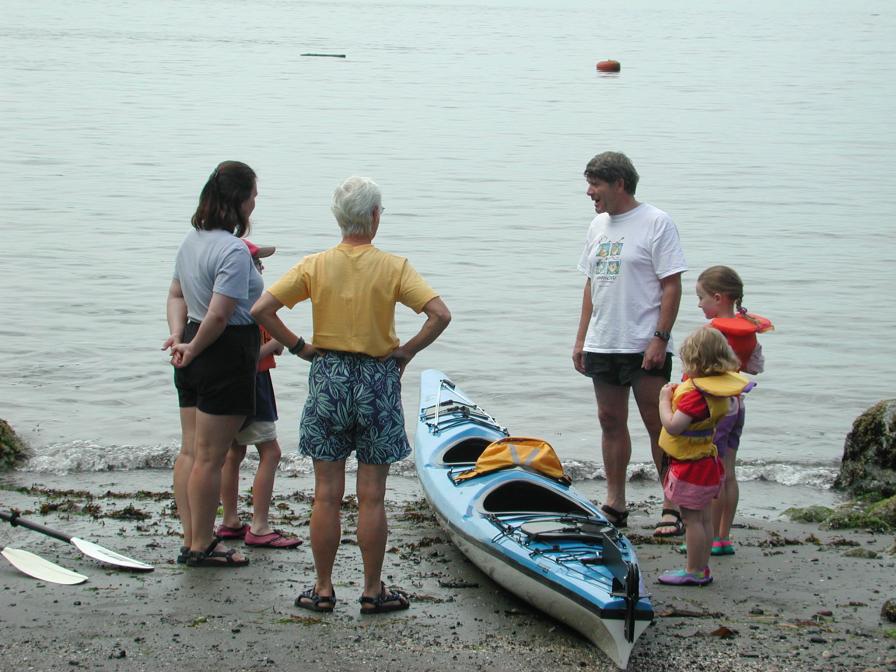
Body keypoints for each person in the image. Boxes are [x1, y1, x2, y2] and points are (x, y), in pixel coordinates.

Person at [252, 176, 451, 614]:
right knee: (372, 494)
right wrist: (406, 352)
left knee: (325, 492)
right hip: (378, 378)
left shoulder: (315, 265)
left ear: (338, 218)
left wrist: (299, 346)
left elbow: (262, 309)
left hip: (329, 376)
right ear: (375, 216)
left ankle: (323, 589)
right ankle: (372, 589)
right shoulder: (394, 267)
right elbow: (439, 314)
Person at [572, 151, 688, 537]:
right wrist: (581, 339)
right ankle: (615, 502)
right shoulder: (597, 226)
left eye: (595, 184)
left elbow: (672, 284)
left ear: (619, 183)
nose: (589, 192)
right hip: (603, 340)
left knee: (659, 424)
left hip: (644, 342)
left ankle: (672, 505)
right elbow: (591, 283)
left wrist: (660, 337)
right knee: (609, 420)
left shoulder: (656, 222)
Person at [163, 160, 262, 568]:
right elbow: (220, 316)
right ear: (238, 201)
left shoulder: (193, 241)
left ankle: (192, 537)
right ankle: (203, 544)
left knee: (190, 451)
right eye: (253, 196)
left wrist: (179, 338)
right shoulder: (233, 250)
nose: (254, 203)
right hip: (223, 351)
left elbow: (176, 294)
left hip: (191, 343)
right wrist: (195, 346)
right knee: (210, 457)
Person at [216, 241, 302, 549]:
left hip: (231, 385)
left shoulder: (226, 302)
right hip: (253, 385)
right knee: (271, 452)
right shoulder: (247, 308)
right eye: (255, 264)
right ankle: (260, 526)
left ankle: (230, 521)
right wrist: (276, 344)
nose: (261, 268)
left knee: (234, 452)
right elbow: (246, 358)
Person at [657, 327, 751, 586]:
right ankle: (702, 567)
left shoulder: (695, 397)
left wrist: (664, 400)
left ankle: (694, 570)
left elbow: (673, 426)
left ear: (694, 362)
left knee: (692, 520)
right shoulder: (719, 393)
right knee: (705, 519)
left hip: (691, 467)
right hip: (708, 463)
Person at [695, 265, 772, 556]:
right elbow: (755, 367)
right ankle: (724, 537)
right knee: (729, 471)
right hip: (737, 404)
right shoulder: (749, 331)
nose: (699, 304)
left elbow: (695, 371)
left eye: (701, 298)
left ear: (718, 298)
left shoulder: (710, 333)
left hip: (715, 408)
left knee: (712, 472)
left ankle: (710, 537)